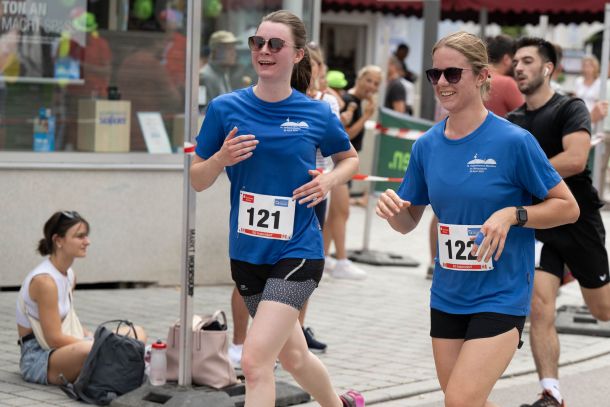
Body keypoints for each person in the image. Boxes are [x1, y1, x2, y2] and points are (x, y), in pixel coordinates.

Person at [376, 31, 579, 407]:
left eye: (453, 73)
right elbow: (408, 223)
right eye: (434, 74)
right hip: (448, 294)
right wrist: (392, 212)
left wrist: (513, 214)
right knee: (464, 401)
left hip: (501, 294)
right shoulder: (426, 145)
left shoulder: (514, 141)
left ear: (483, 75)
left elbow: (568, 207)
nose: (442, 82)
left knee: (459, 400)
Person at [190, 10, 364, 407]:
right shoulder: (224, 108)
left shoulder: (316, 113)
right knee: (295, 356)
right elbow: (198, 179)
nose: (264, 51)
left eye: (275, 44)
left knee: (255, 362)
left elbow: (349, 159)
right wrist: (220, 159)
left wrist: (328, 181)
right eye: (258, 43)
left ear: (298, 54)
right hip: (248, 252)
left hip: (298, 249)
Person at [508, 37, 610, 407]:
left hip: (578, 219)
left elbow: (575, 159)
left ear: (548, 68)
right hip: (540, 225)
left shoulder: (570, 108)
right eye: (516, 62)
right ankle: (551, 393)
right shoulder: (514, 122)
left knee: (603, 310)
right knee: (540, 306)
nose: (518, 67)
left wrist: (526, 175)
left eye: (527, 61)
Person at [16, 211, 147, 386]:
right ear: (58, 240)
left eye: (86, 236)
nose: (87, 241)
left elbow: (67, 320)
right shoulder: (45, 282)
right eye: (80, 236)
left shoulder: (69, 275)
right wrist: (95, 344)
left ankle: (110, 364)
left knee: (136, 332)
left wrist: (91, 336)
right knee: (87, 349)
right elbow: (53, 339)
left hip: (68, 347)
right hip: (40, 357)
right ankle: (115, 364)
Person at [323, 65, 381, 279]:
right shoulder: (349, 101)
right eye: (369, 81)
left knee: (336, 214)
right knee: (341, 212)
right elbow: (344, 135)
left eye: (376, 84)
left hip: (342, 164)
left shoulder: (353, 101)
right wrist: (366, 116)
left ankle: (324, 256)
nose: (371, 87)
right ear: (360, 78)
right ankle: (341, 260)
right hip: (338, 163)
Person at [199, 30, 251, 111]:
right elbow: (201, 110)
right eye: (229, 49)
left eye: (234, 49)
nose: (234, 53)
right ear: (215, 51)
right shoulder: (204, 76)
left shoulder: (224, 73)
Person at [484, 35, 524, 118]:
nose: (518, 66)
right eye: (515, 60)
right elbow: (525, 118)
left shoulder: (476, 78)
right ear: (506, 59)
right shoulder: (507, 84)